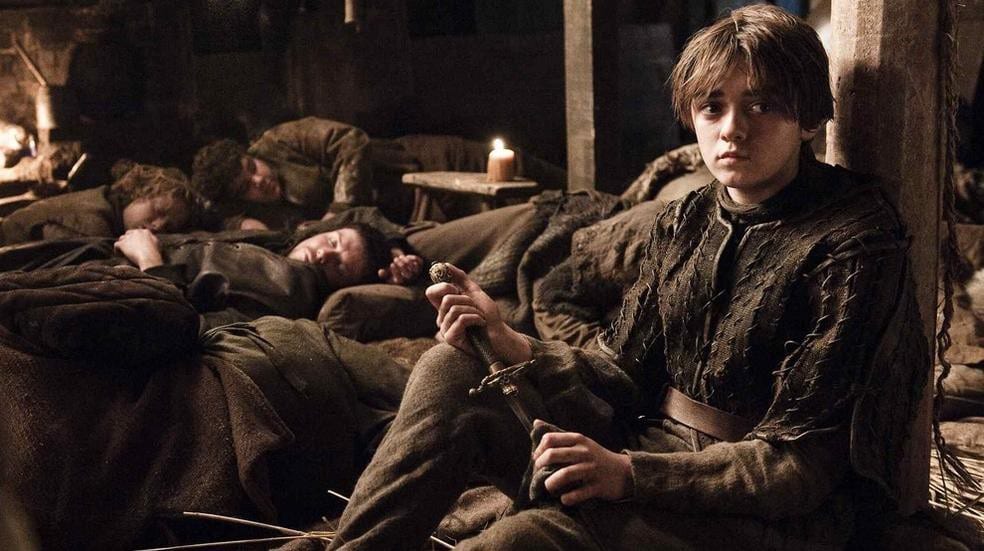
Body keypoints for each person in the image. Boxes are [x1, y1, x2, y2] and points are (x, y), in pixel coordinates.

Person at [325, 6, 928, 550]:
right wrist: (510, 341)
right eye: (712, 107)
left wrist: (627, 474)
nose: (732, 129)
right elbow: (619, 371)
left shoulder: (853, 240)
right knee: (450, 366)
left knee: (519, 541)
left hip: (766, 509)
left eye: (761, 105)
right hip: (646, 442)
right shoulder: (687, 217)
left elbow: (802, 469)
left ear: (809, 117)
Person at [112, 220, 422, 328]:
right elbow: (363, 214)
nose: (324, 254)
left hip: (126, 289)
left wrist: (150, 261)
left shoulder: (289, 290)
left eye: (338, 266)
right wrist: (395, 250)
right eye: (332, 242)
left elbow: (184, 324)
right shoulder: (283, 242)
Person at [191, 117, 374, 231]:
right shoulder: (248, 211)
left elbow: (351, 140)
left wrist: (338, 211)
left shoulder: (279, 141)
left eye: (253, 167)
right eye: (245, 187)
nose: (259, 181)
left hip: (383, 179)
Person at [0, 162, 199, 245]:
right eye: (158, 210)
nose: (158, 226)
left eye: (169, 226)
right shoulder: (94, 224)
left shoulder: (104, 200)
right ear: (137, 192)